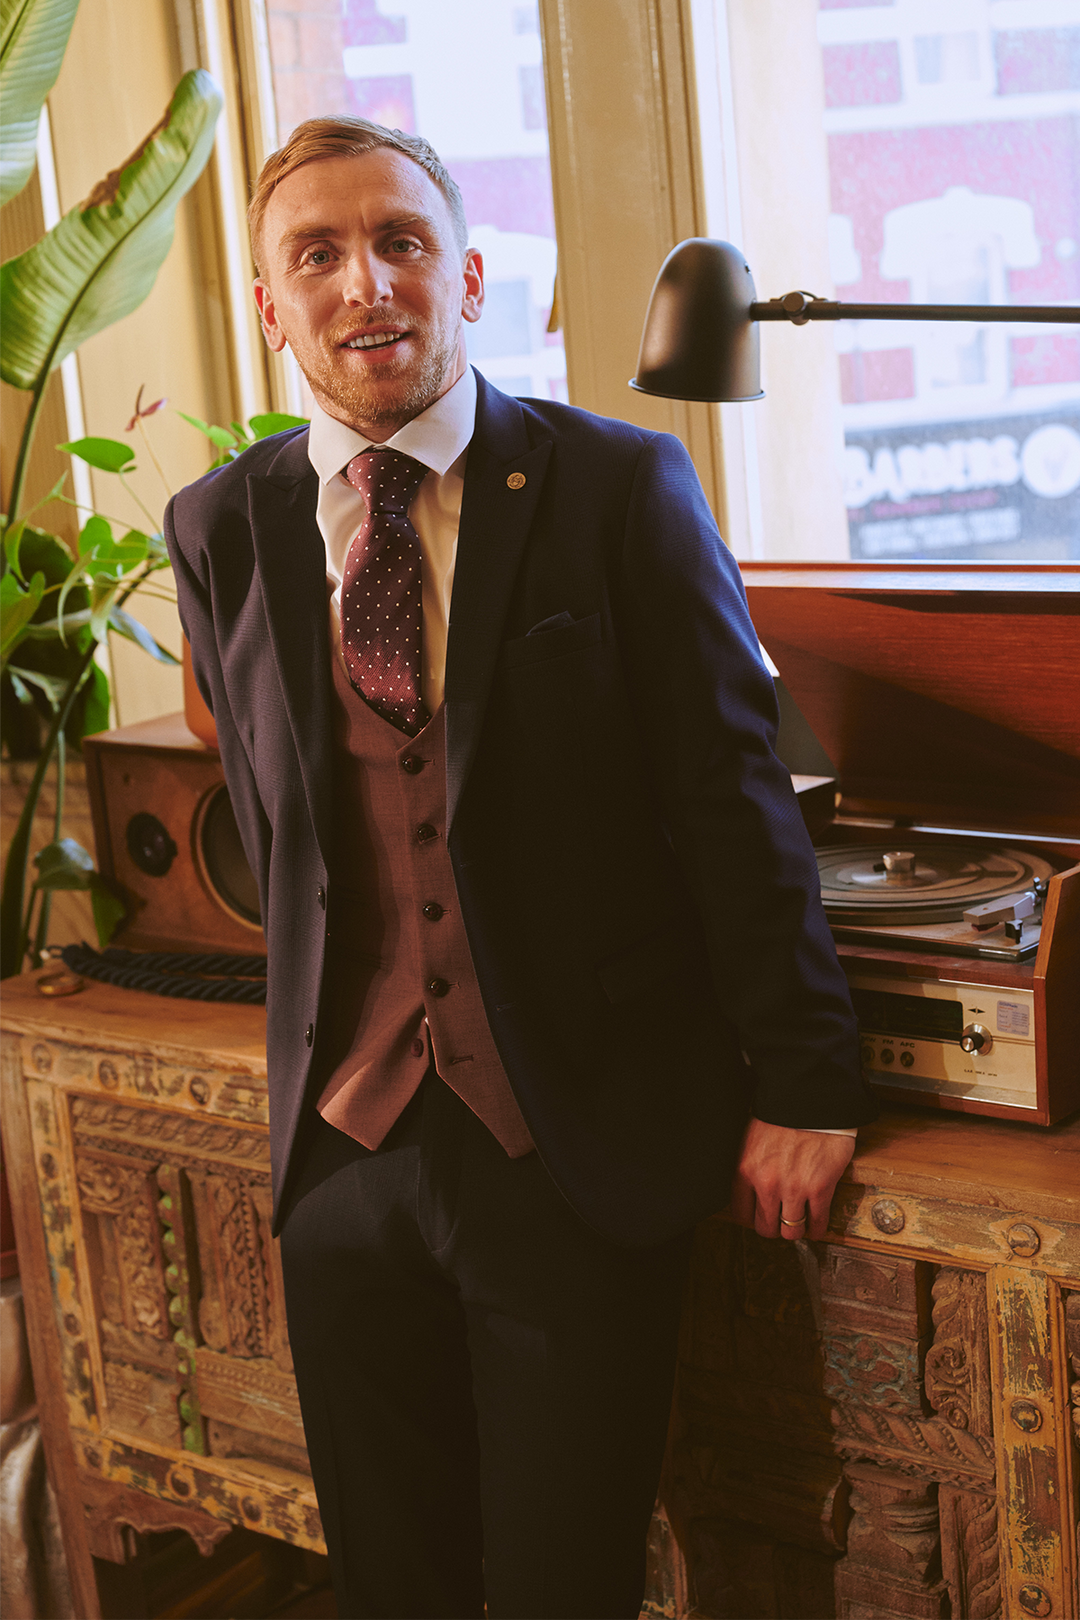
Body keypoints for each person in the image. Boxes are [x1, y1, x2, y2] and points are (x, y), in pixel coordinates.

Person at [165, 116, 875, 1620]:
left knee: (561, 1585)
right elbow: (276, 816)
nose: (369, 284)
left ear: (466, 275)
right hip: (342, 1160)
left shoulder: (620, 491)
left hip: (572, 1148)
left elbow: (729, 802)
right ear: (270, 307)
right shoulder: (222, 524)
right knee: (394, 1585)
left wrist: (806, 1082)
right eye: (320, 254)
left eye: (403, 244)